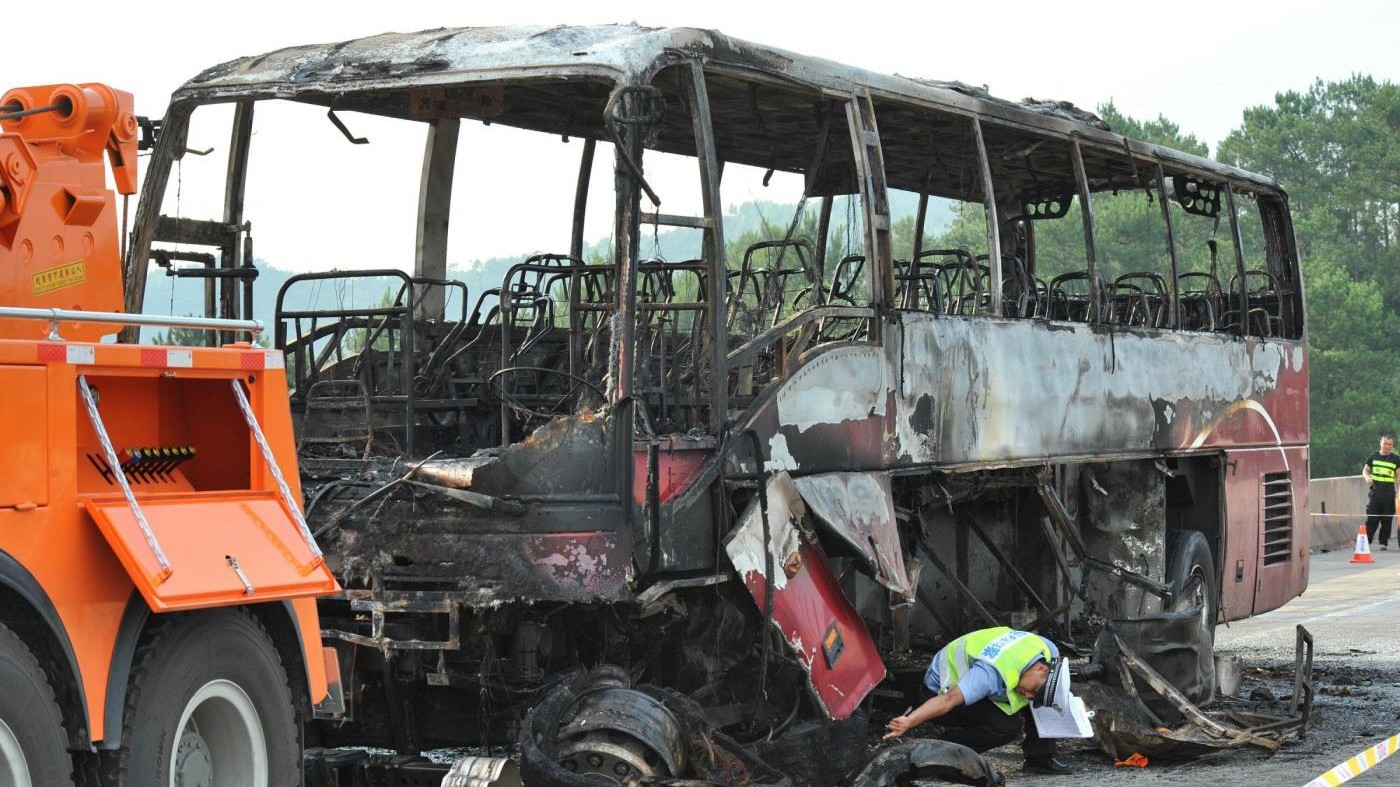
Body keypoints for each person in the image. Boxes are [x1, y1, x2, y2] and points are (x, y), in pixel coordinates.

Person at [884, 626, 1072, 776]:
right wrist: (909, 721)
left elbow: (1048, 688)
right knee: (1006, 727)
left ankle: (1040, 758)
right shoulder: (989, 673)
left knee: (1047, 696)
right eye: (1032, 691)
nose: (1030, 697)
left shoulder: (1048, 650)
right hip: (936, 693)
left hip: (977, 687)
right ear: (1040, 668)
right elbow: (948, 700)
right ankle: (936, 755)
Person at [1362, 435, 1400, 550]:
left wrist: (1398, 492)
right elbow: (1365, 470)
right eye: (1385, 444)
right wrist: (1367, 477)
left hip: (1389, 493)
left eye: (1390, 445)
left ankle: (1383, 542)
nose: (1387, 447)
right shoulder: (1373, 457)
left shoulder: (1396, 459)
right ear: (1381, 443)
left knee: (1387, 519)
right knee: (1372, 518)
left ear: (1392, 446)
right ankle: (1366, 542)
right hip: (1375, 493)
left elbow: (1398, 477)